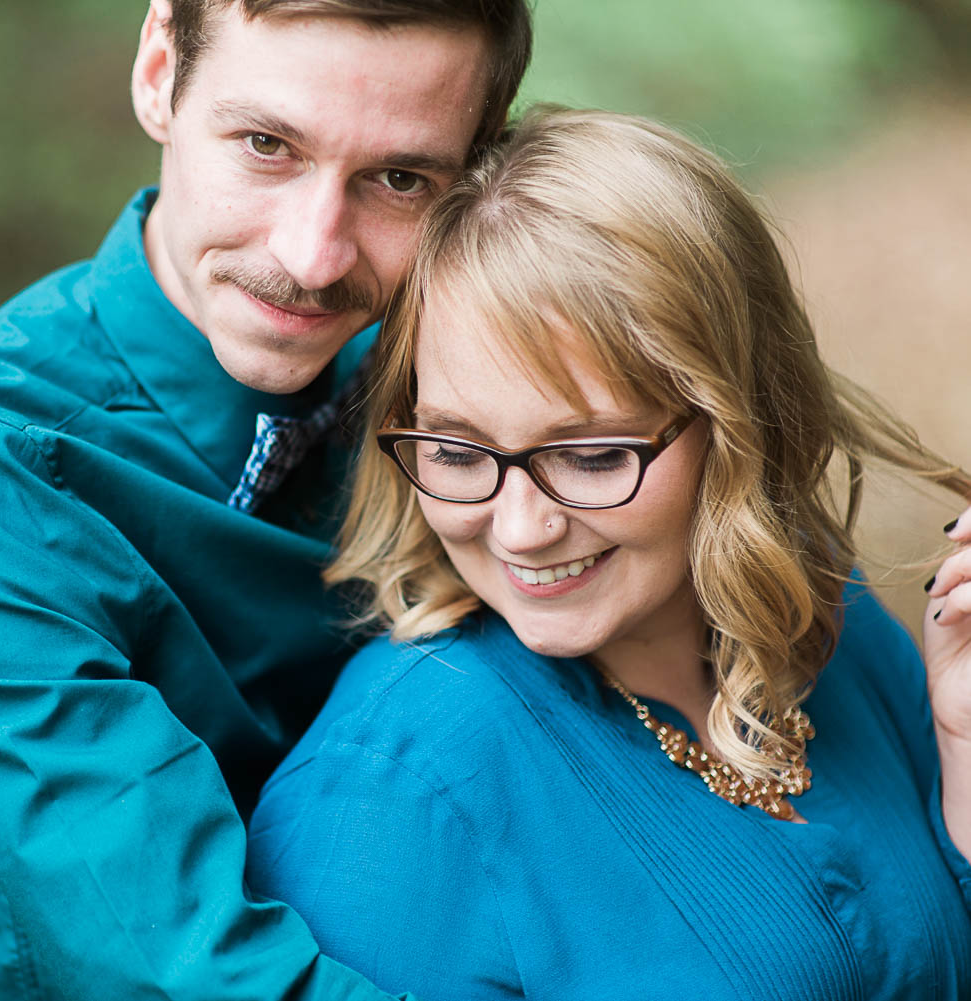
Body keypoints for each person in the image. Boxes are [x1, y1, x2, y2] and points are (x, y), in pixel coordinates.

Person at [0, 2, 532, 998]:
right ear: (159, 71)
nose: (313, 255)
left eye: (399, 179)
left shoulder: (451, 388)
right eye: (265, 145)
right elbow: (188, 972)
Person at [245, 106, 971, 1000]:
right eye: (458, 452)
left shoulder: (818, 601)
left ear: (737, 427)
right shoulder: (397, 794)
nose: (520, 529)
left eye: (591, 457)